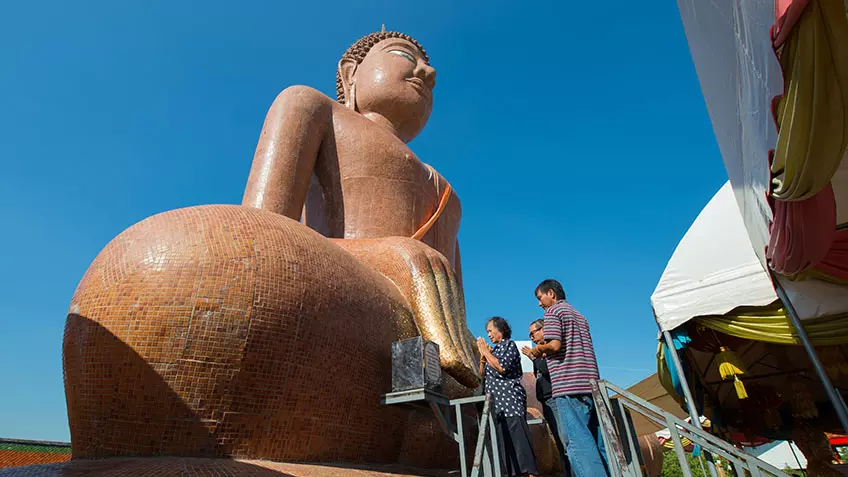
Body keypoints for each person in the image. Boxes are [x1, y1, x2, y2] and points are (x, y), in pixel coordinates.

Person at [524, 279, 607, 477]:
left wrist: (537, 350)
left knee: (577, 444)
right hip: (590, 384)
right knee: (598, 443)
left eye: (540, 297)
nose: (539, 303)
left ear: (551, 293)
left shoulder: (553, 312)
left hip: (568, 386)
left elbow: (554, 346)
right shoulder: (579, 315)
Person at [477, 317, 539, 477]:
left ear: (501, 330)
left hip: (510, 406)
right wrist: (483, 360)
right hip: (497, 410)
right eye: (487, 332)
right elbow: (481, 377)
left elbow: (502, 367)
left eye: (491, 330)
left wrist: (486, 352)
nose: (489, 335)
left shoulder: (508, 345)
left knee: (520, 450)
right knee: (505, 454)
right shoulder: (494, 352)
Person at [522, 319, 571, 476]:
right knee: (559, 439)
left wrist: (533, 357)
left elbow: (547, 369)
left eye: (533, 333)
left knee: (566, 440)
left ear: (543, 329)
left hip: (556, 397)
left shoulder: (550, 349)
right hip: (547, 399)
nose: (531, 338)